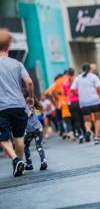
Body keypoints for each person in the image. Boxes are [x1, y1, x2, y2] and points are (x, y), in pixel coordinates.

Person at [0, 29, 34, 177]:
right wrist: (31, 97)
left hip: (2, 107)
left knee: (3, 138)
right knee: (19, 138)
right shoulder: (17, 63)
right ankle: (19, 162)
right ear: (7, 48)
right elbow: (29, 82)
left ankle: (15, 160)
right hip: (20, 106)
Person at [71, 63, 100, 145]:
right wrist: (99, 95)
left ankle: (88, 130)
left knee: (87, 120)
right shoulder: (93, 76)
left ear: (82, 69)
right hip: (94, 101)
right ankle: (96, 137)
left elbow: (72, 89)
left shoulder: (78, 78)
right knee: (97, 119)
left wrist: (78, 95)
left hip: (84, 102)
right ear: (89, 69)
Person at [23, 90, 48, 171]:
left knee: (25, 146)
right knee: (39, 145)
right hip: (38, 128)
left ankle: (29, 164)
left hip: (30, 130)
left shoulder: (25, 105)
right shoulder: (32, 103)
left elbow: (28, 113)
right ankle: (43, 161)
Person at [63, 68, 85, 143]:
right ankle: (85, 134)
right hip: (80, 100)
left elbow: (64, 93)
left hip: (71, 103)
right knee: (82, 118)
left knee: (76, 119)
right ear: (74, 73)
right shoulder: (77, 79)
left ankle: (79, 134)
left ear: (67, 74)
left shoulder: (64, 83)